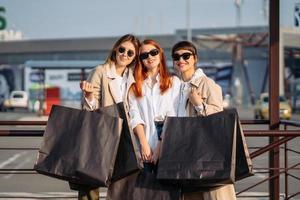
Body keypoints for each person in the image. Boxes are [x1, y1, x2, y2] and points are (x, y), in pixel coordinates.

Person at [75, 34, 140, 200]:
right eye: (122, 49)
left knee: (122, 187)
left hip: (123, 137)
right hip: (101, 134)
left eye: (130, 53)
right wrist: (89, 97)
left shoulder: (132, 78)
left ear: (134, 57)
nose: (125, 54)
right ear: (115, 50)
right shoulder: (100, 71)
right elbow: (87, 109)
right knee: (90, 186)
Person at [172, 41, 236, 200]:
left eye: (186, 55)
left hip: (207, 153)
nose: (181, 60)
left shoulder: (207, 83)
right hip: (186, 151)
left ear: (195, 59)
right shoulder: (178, 87)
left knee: (215, 194)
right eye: (176, 56)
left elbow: (218, 119)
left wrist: (199, 104)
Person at [128, 39, 181, 173]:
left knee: (168, 192)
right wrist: (144, 145)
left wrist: (159, 147)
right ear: (140, 60)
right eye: (144, 55)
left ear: (160, 54)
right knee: (145, 192)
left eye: (153, 52)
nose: (150, 57)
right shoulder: (135, 86)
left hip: (168, 146)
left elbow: (173, 115)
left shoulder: (174, 82)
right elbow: (135, 116)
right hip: (144, 148)